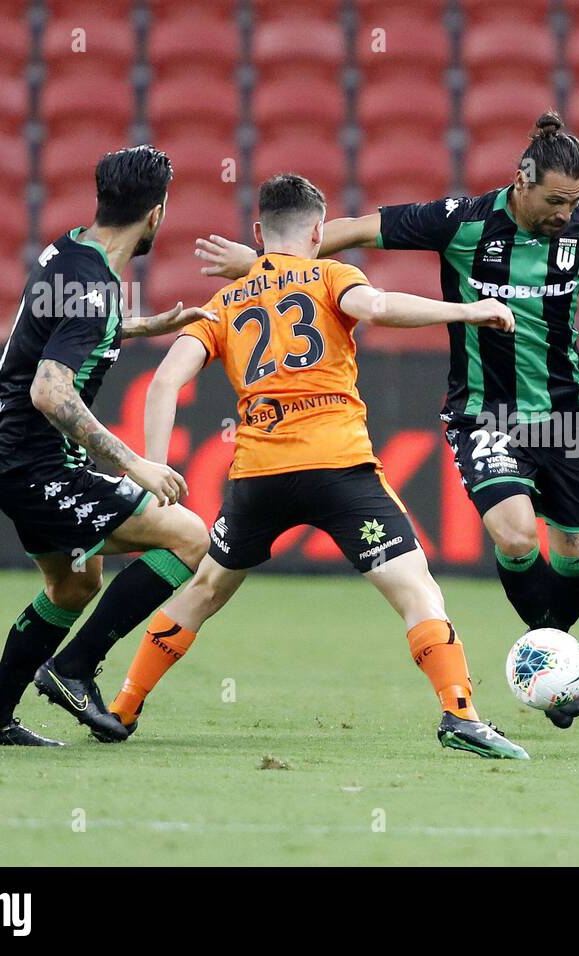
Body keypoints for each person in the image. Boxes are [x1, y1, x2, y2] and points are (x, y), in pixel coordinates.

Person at [194, 111, 579, 730]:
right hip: (483, 411)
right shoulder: (461, 221)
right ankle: (554, 665)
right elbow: (353, 230)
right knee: (515, 536)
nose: (566, 213)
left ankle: (553, 656)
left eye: (576, 200)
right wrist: (267, 262)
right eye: (555, 200)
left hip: (566, 413)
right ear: (522, 180)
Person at [106, 173, 529, 760]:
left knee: (204, 588)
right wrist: (468, 310)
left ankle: (123, 706)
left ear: (258, 233)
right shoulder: (334, 274)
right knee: (415, 590)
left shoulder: (225, 301)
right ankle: (460, 713)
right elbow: (378, 307)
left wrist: (153, 468)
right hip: (338, 469)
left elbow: (163, 382)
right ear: (319, 231)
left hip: (258, 477)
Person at [0, 145, 212, 746]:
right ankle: (74, 669)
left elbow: (63, 326)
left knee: (74, 585)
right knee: (190, 537)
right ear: (155, 215)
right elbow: (49, 391)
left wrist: (140, 327)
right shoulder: (95, 286)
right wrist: (135, 462)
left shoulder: (69, 249)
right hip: (36, 463)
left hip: (13, 455)